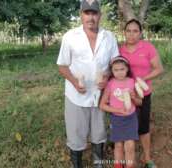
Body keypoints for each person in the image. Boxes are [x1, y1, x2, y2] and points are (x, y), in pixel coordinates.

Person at [56, 0, 119, 167]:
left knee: (99, 131)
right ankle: (77, 164)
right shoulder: (70, 37)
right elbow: (62, 65)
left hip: (99, 95)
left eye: (94, 13)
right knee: (76, 132)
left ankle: (98, 162)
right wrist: (75, 82)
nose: (90, 17)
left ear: (100, 15)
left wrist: (107, 76)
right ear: (81, 15)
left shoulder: (109, 37)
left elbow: (115, 63)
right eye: (87, 13)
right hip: (76, 94)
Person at [119, 19, 164, 168]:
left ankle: (147, 159)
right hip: (124, 95)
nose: (131, 34)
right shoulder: (119, 50)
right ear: (124, 32)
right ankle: (124, 160)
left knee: (143, 127)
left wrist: (143, 78)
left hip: (143, 93)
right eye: (128, 31)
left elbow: (159, 69)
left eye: (135, 31)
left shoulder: (148, 47)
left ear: (140, 33)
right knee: (125, 125)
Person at [99, 56, 142, 168]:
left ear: (127, 69)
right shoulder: (110, 84)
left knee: (130, 145)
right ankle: (118, 165)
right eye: (116, 70)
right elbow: (102, 105)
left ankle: (130, 165)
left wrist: (134, 98)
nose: (119, 72)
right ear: (112, 71)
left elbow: (139, 103)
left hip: (131, 118)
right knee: (118, 145)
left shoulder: (132, 82)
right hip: (116, 119)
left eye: (122, 69)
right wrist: (117, 110)